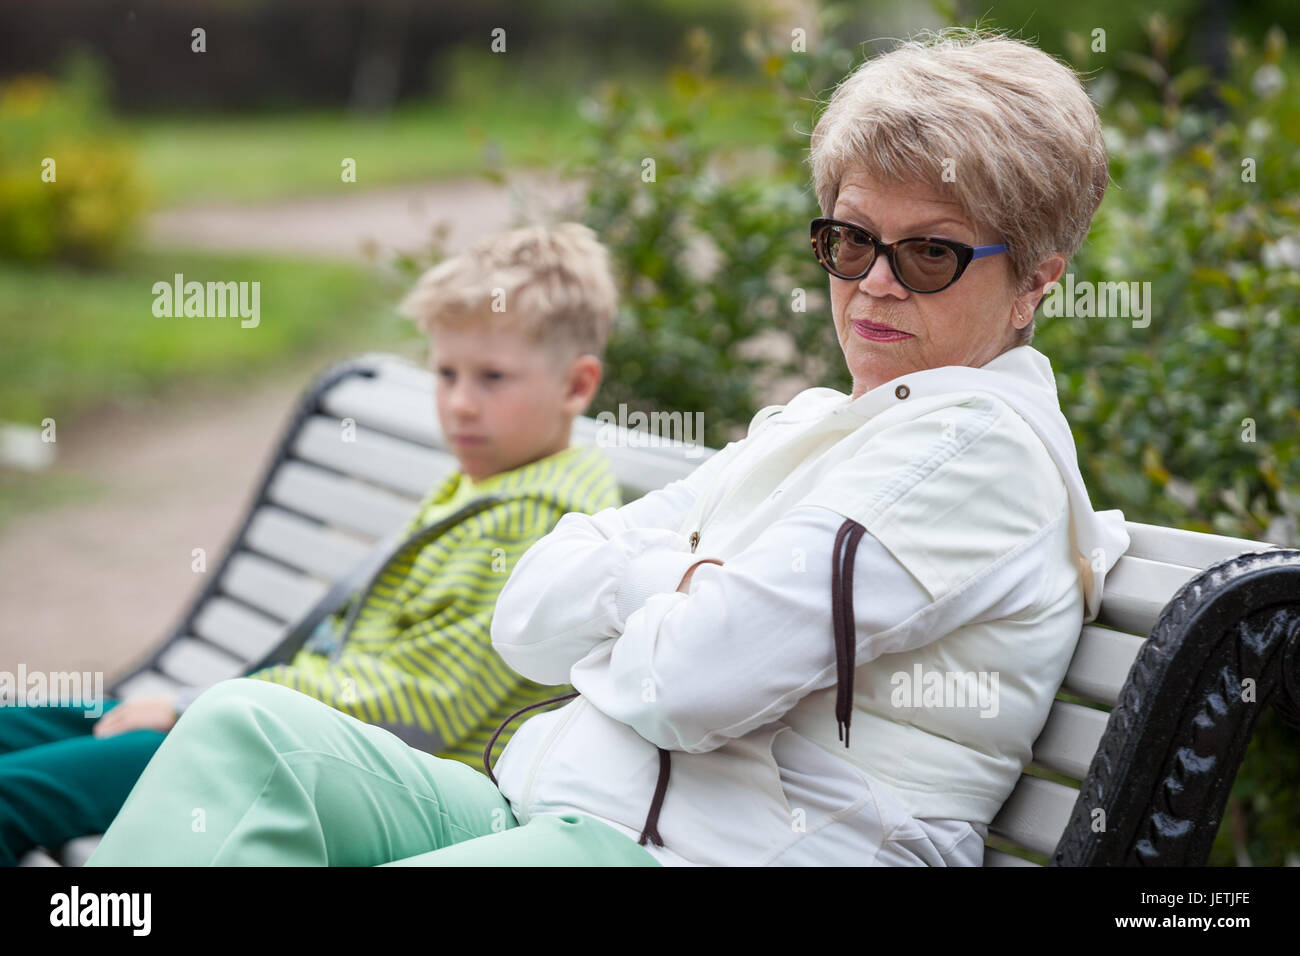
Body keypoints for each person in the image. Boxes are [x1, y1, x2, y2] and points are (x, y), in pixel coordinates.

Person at [87, 27, 1130, 867]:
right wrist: (686, 580)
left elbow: (694, 683)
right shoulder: (815, 424)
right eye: (850, 238)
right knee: (247, 731)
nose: (873, 282)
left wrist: (652, 590)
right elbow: (524, 615)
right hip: (548, 813)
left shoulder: (974, 448)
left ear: (1036, 277)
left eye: (932, 252)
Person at [1, 222, 621, 866]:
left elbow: (417, 706)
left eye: (492, 378)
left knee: (9, 795)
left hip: (346, 767)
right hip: (286, 723)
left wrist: (188, 708)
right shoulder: (497, 477)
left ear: (576, 386)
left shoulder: (540, 519)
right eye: (446, 374)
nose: (460, 404)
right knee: (17, 727)